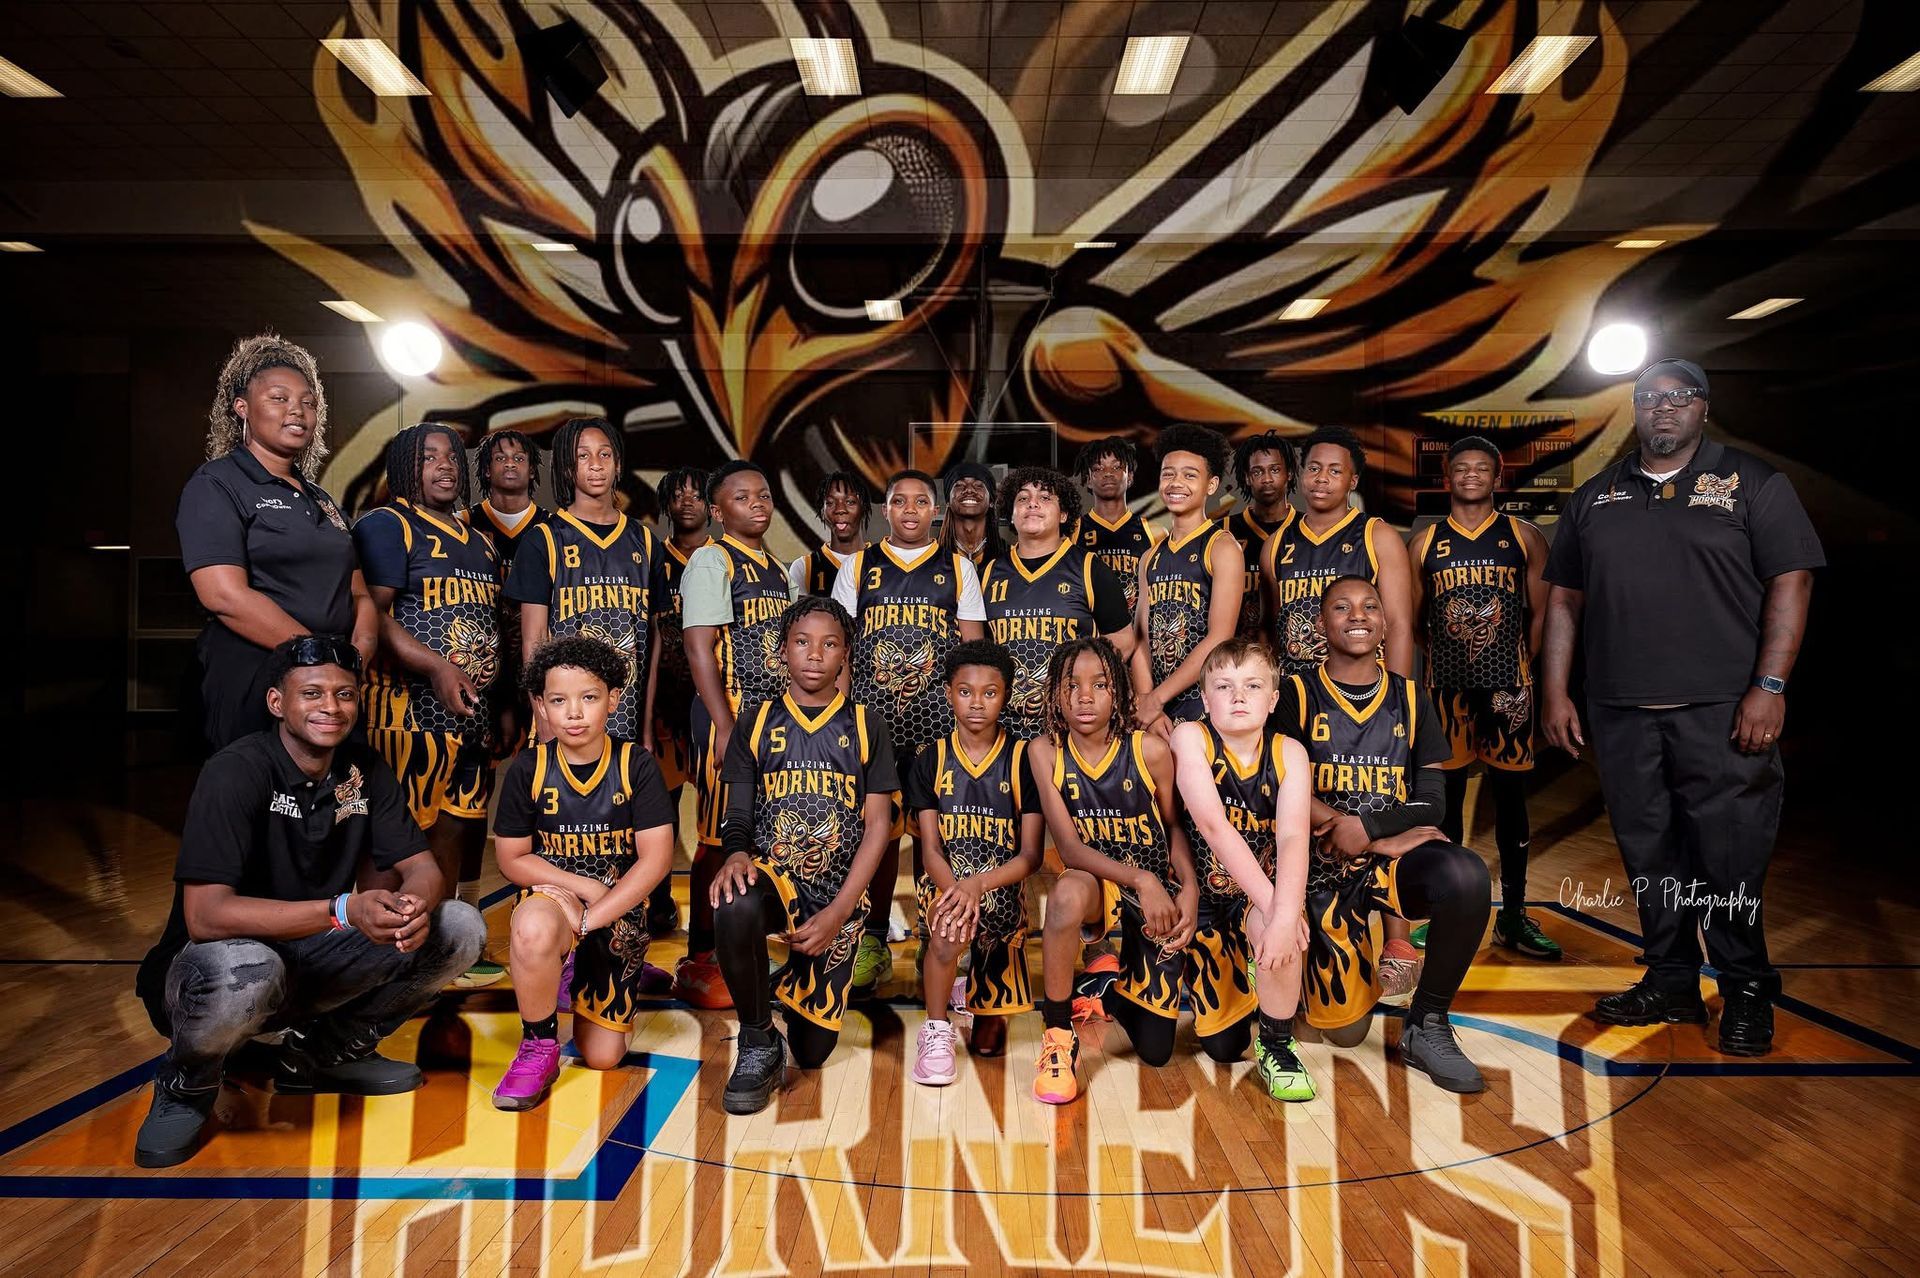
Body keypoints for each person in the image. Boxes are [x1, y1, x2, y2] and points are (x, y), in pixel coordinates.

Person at [1542, 358, 1822, 1056]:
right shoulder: (1596, 495)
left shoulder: (1752, 482)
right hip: (1621, 709)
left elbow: (1791, 583)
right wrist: (1556, 690)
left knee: (1729, 854)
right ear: (1635, 409)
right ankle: (1671, 979)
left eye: (1679, 397)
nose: (1663, 407)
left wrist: (1770, 686)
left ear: (1704, 407)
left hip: (1722, 710)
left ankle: (1746, 986)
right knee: (1650, 853)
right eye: (1648, 398)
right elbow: (1565, 602)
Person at [133, 635, 485, 1168]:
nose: (331, 707)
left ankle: (326, 1054)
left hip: (313, 955)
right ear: (278, 703)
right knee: (250, 966)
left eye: (345, 694)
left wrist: (410, 908)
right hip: (213, 970)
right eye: (312, 693)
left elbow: (422, 868)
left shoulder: (363, 769)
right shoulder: (236, 770)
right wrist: (343, 910)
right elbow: (205, 916)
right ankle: (187, 1081)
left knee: (458, 926)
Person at [1273, 577, 1492, 1094]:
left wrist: (1369, 830)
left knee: (1466, 876)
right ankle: (1302, 979)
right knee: (1346, 1034)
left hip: (1390, 860)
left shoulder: (1411, 698)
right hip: (1319, 867)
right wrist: (1367, 836)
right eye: (1342, 607)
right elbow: (1277, 783)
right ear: (1320, 624)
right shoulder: (1296, 693)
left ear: (1385, 622)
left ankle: (1428, 1022)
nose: (1358, 615)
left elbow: (1434, 801)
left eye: (1370, 606)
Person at [709, 597, 898, 1114]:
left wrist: (839, 913)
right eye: (802, 642)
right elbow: (738, 812)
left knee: (812, 1052)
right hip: (776, 879)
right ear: (783, 651)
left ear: (846, 656)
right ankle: (757, 1038)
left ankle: (779, 982)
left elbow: (878, 829)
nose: (815, 654)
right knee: (732, 901)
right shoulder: (756, 721)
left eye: (829, 644)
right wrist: (735, 854)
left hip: (837, 894)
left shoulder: (867, 725)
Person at [489, 636, 676, 1111]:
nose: (573, 713)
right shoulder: (530, 767)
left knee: (603, 1057)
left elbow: (655, 860)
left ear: (613, 699)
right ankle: (538, 1044)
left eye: (588, 697)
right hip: (556, 900)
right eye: (558, 700)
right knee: (532, 927)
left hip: (619, 912)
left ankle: (595, 968)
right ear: (540, 706)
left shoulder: (636, 765)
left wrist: (592, 917)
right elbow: (512, 858)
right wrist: (582, 889)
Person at [353, 424, 505, 990]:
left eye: (452, 458)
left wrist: (502, 703)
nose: (445, 466)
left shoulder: (480, 541)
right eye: (428, 457)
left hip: (467, 717)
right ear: (404, 468)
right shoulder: (387, 525)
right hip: (404, 712)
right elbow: (371, 614)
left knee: (452, 829)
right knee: (394, 840)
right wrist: (436, 666)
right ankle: (372, 961)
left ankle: (435, 952)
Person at [177, 334, 377, 747]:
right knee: (260, 784)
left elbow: (358, 593)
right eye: (279, 398)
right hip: (257, 674)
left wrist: (354, 656)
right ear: (242, 408)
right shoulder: (217, 484)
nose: (297, 411)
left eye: (308, 402)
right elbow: (223, 596)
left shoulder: (321, 499)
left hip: (332, 682)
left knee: (343, 787)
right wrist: (314, 654)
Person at [832, 469, 987, 995]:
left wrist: (968, 722)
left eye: (922, 502)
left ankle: (932, 934)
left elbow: (971, 652)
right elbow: (840, 647)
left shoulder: (959, 568)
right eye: (901, 502)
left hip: (936, 724)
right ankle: (872, 939)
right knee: (873, 833)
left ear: (936, 511)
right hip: (872, 723)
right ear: (886, 510)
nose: (911, 511)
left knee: (932, 832)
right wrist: (842, 717)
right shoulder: (858, 566)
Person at [1026, 638, 1200, 1105]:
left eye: (1099, 685)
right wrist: (1140, 879)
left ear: (1119, 693)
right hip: (1097, 881)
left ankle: (1109, 990)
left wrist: (1188, 886)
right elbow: (1069, 848)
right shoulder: (1044, 752)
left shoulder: (1151, 751)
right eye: (1072, 686)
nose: (1085, 697)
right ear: (1055, 695)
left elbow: (1174, 827)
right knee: (1064, 896)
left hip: (1152, 891)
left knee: (1156, 1050)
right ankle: (1058, 1035)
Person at [1406, 436, 1557, 960]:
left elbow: (1541, 614)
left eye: (1482, 468)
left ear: (1497, 477)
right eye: (1461, 468)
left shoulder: (1524, 536)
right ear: (1447, 477)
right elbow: (1415, 620)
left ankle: (1513, 915)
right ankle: (1445, 911)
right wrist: (1444, 660)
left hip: (1508, 688)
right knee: (1444, 805)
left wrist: (1517, 662)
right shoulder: (1425, 542)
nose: (1471, 475)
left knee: (1511, 802)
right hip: (1446, 691)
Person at [1170, 639, 1316, 1102]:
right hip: (1202, 898)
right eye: (1224, 686)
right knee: (1223, 1046)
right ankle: (1236, 973)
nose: (1238, 696)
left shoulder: (1290, 753)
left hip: (1256, 892)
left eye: (1252, 686)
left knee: (1283, 928)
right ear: (1204, 699)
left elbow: (1293, 837)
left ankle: (1277, 1044)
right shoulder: (1190, 737)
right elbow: (1213, 826)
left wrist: (1283, 915)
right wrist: (1279, 909)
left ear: (1272, 699)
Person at [675, 461, 795, 1007]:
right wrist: (724, 724)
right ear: (718, 511)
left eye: (763, 494)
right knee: (717, 835)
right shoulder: (712, 560)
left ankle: (738, 944)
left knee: (753, 833)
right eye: (742, 497)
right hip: (728, 719)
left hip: (766, 722)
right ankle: (702, 953)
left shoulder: (776, 569)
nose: (757, 503)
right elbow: (698, 646)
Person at [903, 641, 1044, 1082]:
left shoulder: (1024, 760)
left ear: (1007, 696)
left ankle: (976, 988)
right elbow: (930, 850)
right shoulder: (931, 759)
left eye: (990, 692)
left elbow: (1031, 856)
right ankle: (936, 1027)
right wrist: (957, 892)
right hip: (946, 885)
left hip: (1001, 892)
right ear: (949, 693)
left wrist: (978, 886)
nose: (977, 703)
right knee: (949, 929)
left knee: (988, 1045)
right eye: (965, 692)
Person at [505, 416, 662, 746]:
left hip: (626, 721)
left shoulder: (645, 541)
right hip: (564, 722)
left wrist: (647, 725)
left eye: (605, 454)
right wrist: (543, 721)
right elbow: (533, 641)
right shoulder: (543, 540)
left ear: (618, 465)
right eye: (582, 455)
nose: (596, 465)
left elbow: (653, 640)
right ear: (567, 468)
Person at [981, 466, 1133, 741]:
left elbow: (1123, 639)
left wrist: (1080, 680)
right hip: (1004, 724)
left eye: (1045, 497)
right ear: (1011, 514)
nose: (1033, 504)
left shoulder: (1089, 568)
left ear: (1063, 514)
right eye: (1023, 498)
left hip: (1070, 721)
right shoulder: (989, 572)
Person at [1261, 427, 1413, 679]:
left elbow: (1398, 626)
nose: (1322, 478)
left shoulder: (1378, 536)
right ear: (1301, 473)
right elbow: (1270, 630)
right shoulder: (1275, 544)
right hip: (1296, 686)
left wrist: (1399, 694)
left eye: (1335, 471)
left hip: (1362, 687)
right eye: (1314, 468)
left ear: (1353, 481)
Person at [1133, 425, 1244, 735]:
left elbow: (1220, 637)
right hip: (1157, 708)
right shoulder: (1150, 557)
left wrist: (1156, 698)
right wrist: (1149, 705)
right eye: (1168, 474)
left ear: (1212, 485)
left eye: (1190, 475)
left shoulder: (1222, 547)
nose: (1176, 483)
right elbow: (1140, 639)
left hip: (1205, 700)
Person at [646, 465, 712, 938]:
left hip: (714, 704)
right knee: (660, 811)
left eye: (696, 494)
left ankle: (717, 909)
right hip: (666, 706)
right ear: (666, 503)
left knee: (718, 811)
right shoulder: (653, 556)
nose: (687, 502)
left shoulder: (726, 558)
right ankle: (658, 901)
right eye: (678, 494)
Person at [471, 428, 547, 759]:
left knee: (540, 761)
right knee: (480, 764)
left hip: (532, 660)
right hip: (480, 661)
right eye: (500, 458)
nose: (511, 464)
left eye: (519, 458)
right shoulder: (463, 523)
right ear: (487, 470)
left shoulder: (553, 528)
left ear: (532, 470)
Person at [1072, 436, 1160, 615]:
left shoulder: (1155, 533)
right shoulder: (1072, 531)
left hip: (1137, 629)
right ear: (1088, 479)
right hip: (1090, 629)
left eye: (1117, 467)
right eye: (1098, 468)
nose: (1108, 473)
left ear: (1130, 477)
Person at [1226, 433, 1298, 638]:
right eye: (1257, 472)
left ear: (1289, 473)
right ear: (1247, 477)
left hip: (1293, 648)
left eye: (1275, 470)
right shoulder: (1222, 531)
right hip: (1237, 648)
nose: (1267, 479)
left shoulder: (1308, 528)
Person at [790, 471, 871, 597]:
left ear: (863, 508)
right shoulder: (805, 568)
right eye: (830, 503)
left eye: (850, 502)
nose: (840, 509)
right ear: (822, 511)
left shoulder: (882, 563)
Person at [939, 460, 1007, 570]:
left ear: (991, 501)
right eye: (959, 485)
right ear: (948, 501)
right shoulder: (932, 556)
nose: (969, 490)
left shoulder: (1010, 555)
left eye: (979, 485)